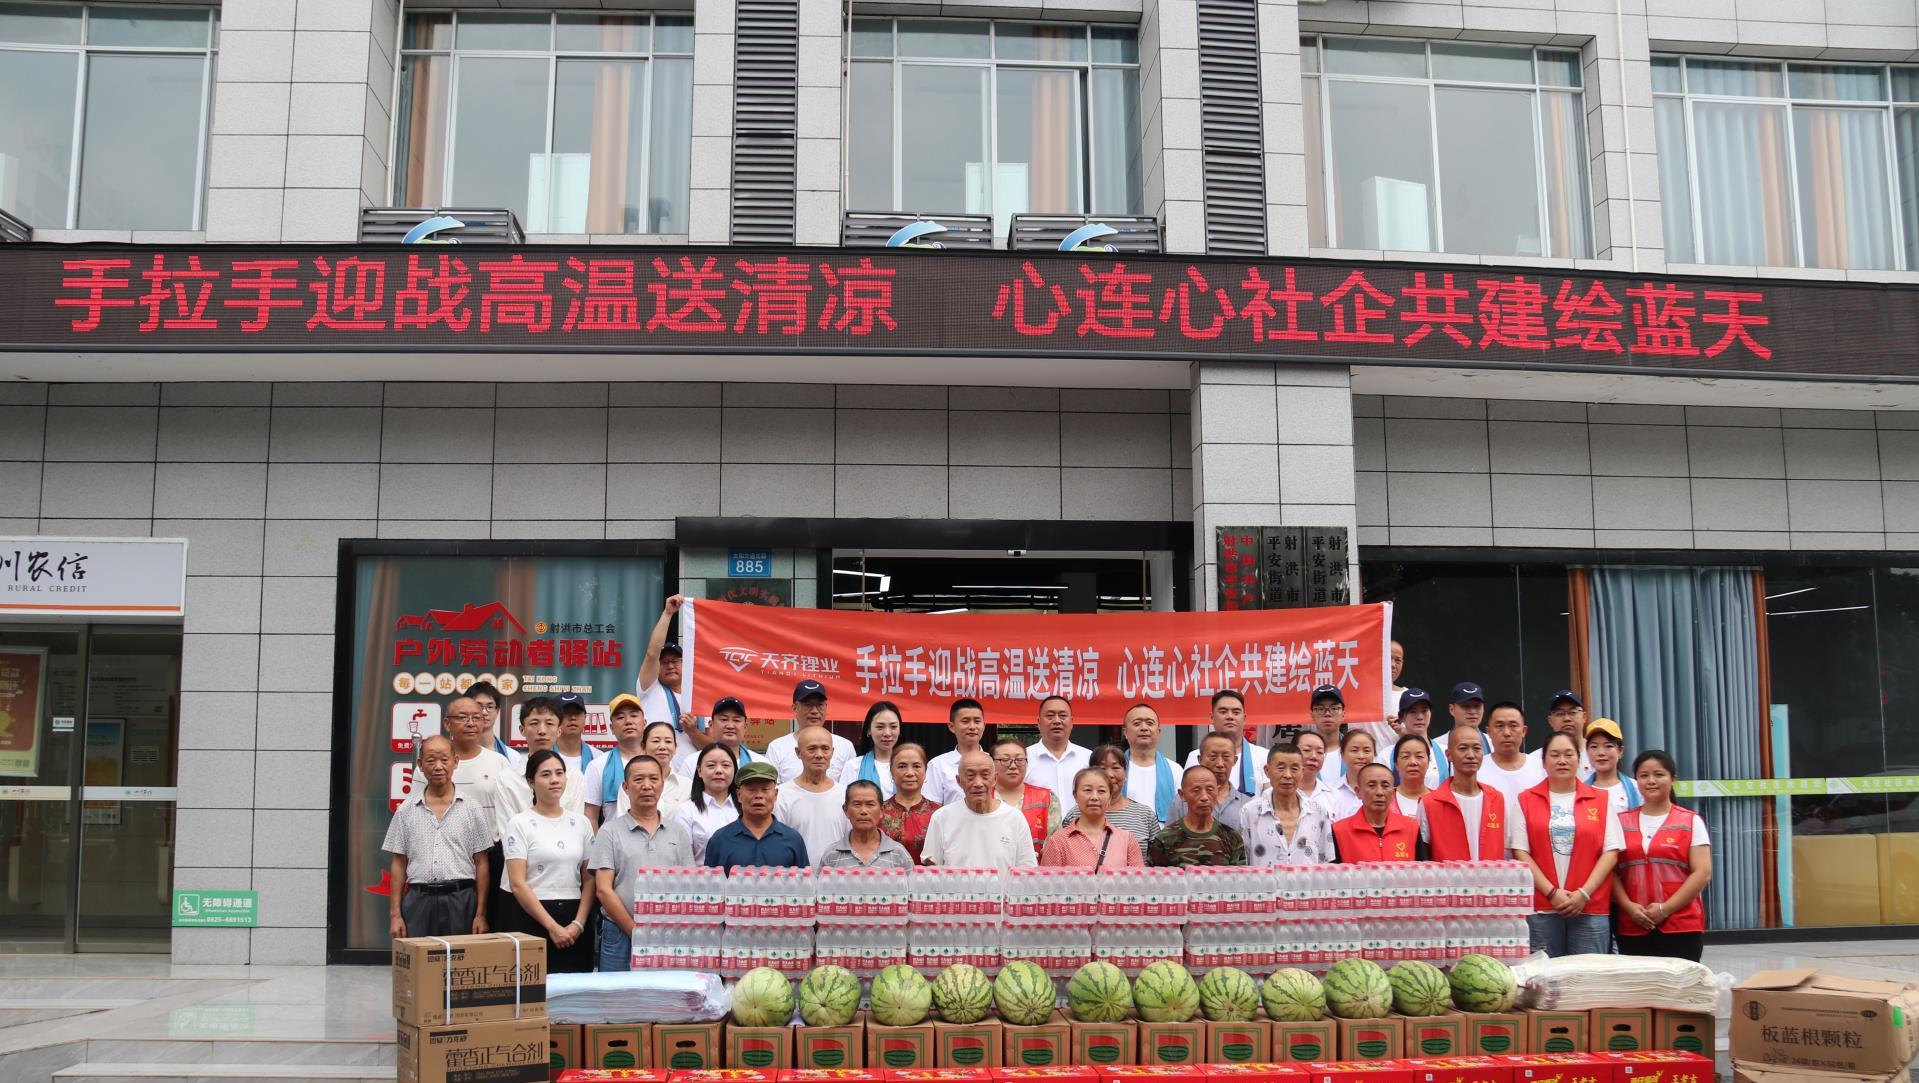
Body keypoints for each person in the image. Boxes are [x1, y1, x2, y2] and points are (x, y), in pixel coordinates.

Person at [1511, 731, 1624, 957]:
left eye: (1569, 754)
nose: (1562, 760)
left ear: (1579, 760)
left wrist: (1584, 893)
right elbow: (1521, 852)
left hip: (1590, 907)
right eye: (1555, 755)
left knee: (1588, 975)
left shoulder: (1600, 800)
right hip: (1543, 907)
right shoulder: (1525, 800)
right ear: (1543, 762)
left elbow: (1611, 852)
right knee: (1545, 975)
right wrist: (1552, 893)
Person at [588, 754, 694, 972]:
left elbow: (689, 885)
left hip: (669, 934)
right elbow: (603, 890)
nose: (647, 786)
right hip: (619, 933)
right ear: (626, 787)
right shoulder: (609, 831)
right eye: (638, 779)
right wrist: (636, 931)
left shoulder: (678, 832)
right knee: (616, 992)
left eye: (653, 779)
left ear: (662, 784)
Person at [383, 734, 492, 938]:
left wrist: (481, 914)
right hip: (419, 901)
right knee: (419, 957)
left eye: (444, 760)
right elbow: (398, 863)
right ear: (420, 765)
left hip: (461, 900)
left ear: (455, 762)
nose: (438, 767)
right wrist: (395, 915)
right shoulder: (406, 809)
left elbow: (482, 862)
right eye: (431, 760)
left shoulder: (472, 808)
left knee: (460, 957)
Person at [501, 750, 596, 972]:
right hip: (532, 916)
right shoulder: (519, 823)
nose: (554, 780)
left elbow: (590, 878)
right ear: (531, 782)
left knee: (576, 988)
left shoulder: (581, 823)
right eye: (546, 774)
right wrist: (552, 927)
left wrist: (579, 924)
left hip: (575, 917)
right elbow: (517, 883)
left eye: (559, 773)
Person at [1613, 750, 1712, 962]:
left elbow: (1702, 872)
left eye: (1659, 774)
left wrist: (1665, 909)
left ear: (1672, 779)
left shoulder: (1690, 821)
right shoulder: (1620, 822)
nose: (1651, 781)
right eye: (1644, 775)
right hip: (1633, 924)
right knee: (1639, 982)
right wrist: (1629, 907)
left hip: (1681, 924)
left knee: (1680, 982)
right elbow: (1611, 872)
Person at [492, 697, 586, 847]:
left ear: (559, 730)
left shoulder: (574, 777)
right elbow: (509, 836)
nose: (542, 731)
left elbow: (576, 830)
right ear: (522, 730)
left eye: (549, 723)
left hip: (566, 858)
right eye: (534, 723)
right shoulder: (507, 779)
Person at [921, 749, 1037, 868]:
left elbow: (1027, 869)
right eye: (970, 776)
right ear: (959, 781)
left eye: (985, 775)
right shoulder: (942, 818)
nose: (978, 783)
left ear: (995, 779)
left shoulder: (1014, 818)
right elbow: (932, 870)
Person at [1423, 723, 1509, 862]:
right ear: (1449, 755)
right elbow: (1423, 857)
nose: (1470, 755)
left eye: (1476, 748)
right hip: (1447, 876)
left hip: (1491, 876)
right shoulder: (1430, 803)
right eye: (1463, 748)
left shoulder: (1496, 799)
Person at [1240, 740, 1335, 866]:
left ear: (1302, 772)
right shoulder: (1249, 812)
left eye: (1294, 769)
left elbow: (1326, 861)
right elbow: (1243, 862)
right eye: (1281, 768)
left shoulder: (1319, 812)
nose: (1288, 775)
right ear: (1267, 771)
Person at [704, 761, 810, 868]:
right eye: (751, 789)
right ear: (739, 795)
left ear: (775, 794)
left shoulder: (793, 839)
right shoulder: (720, 840)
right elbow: (709, 878)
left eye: (765, 789)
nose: (759, 795)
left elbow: (804, 878)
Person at [636, 595, 701, 760]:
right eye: (664, 662)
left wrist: (693, 731)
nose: (670, 666)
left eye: (675, 661)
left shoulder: (699, 697)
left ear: (686, 664)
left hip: (693, 774)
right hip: (655, 771)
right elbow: (652, 654)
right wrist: (667, 614)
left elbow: (712, 746)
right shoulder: (650, 689)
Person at [1041, 767, 1144, 869]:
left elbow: (1139, 878)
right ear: (1075, 796)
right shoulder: (1058, 841)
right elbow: (1048, 879)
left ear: (1110, 797)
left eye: (1101, 791)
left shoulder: (1127, 840)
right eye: (1088, 790)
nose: (1094, 797)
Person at [1065, 743, 1162, 851]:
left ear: (1125, 773)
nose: (1109, 775)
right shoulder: (1074, 815)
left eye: (1116, 768)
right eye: (1102, 768)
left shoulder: (1145, 815)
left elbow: (1158, 858)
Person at [775, 726, 850, 864]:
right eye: (812, 749)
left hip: (836, 874)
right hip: (796, 874)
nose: (819, 755)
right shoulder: (782, 795)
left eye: (825, 748)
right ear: (798, 752)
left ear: (832, 752)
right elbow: (778, 843)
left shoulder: (845, 795)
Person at [1148, 765, 1247, 867]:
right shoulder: (1164, 839)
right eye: (1196, 790)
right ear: (1182, 795)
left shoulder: (1232, 838)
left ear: (1217, 792)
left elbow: (1239, 876)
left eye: (1210, 790)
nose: (1204, 797)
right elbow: (1156, 876)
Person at [581, 693, 650, 829]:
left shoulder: (659, 761)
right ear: (612, 728)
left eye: (634, 715)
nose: (628, 721)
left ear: (644, 723)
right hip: (613, 840)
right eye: (620, 717)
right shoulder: (598, 765)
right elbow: (591, 816)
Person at [446, 695, 511, 837]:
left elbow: (511, 812)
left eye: (476, 718)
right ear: (447, 723)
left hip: (492, 846)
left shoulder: (500, 762)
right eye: (462, 717)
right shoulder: (433, 764)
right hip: (444, 846)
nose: (470, 723)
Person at [767, 680, 856, 783]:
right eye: (808, 705)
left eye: (820, 705)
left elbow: (851, 788)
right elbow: (770, 788)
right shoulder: (777, 747)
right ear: (794, 708)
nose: (814, 711)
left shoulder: (845, 746)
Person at [1332, 762, 1422, 863]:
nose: (1379, 792)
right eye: (1371, 786)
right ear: (1358, 792)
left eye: (1385, 786)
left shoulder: (1411, 828)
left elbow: (1423, 869)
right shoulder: (1339, 831)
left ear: (1393, 792)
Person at [1182, 690, 1262, 797]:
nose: (1230, 716)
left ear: (1244, 718)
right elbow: (1188, 796)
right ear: (1212, 717)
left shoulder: (1263, 756)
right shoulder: (1195, 756)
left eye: (1236, 712)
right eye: (1223, 712)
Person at [817, 780, 914, 868]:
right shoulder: (832, 854)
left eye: (870, 804)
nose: (863, 811)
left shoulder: (898, 853)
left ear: (881, 811)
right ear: (846, 810)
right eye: (857, 804)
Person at [991, 737, 1059, 855]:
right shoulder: (983, 798)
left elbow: (1055, 843)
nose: (1013, 766)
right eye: (1005, 760)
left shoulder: (1047, 798)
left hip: (1037, 866)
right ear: (991, 763)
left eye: (1020, 760)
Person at [1025, 696, 1091, 816]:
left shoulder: (1088, 757)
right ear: (1038, 722)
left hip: (1081, 827)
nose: (1056, 721)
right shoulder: (1024, 758)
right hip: (1037, 827)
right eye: (1050, 716)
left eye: (1062, 716)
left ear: (1072, 722)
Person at [675, 742, 739, 863]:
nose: (719, 771)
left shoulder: (746, 809)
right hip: (701, 875)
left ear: (735, 770)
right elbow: (684, 860)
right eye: (711, 765)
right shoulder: (686, 811)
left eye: (725, 765)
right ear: (699, 771)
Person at [1171, 732, 1251, 827]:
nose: (1220, 764)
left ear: (1235, 760)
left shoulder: (1247, 804)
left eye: (1226, 757)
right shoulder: (1182, 801)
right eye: (1213, 756)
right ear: (1200, 759)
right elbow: (1170, 834)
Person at [878, 742, 941, 864]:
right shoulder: (878, 812)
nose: (910, 773)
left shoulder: (939, 814)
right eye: (902, 766)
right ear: (891, 772)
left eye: (916, 766)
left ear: (925, 771)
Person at [1121, 703, 1181, 823]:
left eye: (1150, 723)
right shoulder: (1114, 769)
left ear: (1158, 731)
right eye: (1137, 723)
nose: (1144, 728)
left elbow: (1182, 811)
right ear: (1125, 732)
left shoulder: (1175, 770)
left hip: (1164, 833)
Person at [673, 697, 759, 777]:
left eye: (736, 720)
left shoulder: (759, 763)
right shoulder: (692, 763)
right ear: (711, 725)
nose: (730, 726)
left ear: (745, 727)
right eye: (724, 719)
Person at [927, 698, 990, 806]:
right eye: (965, 721)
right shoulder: (937, 765)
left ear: (984, 725)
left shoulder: (995, 761)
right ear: (952, 727)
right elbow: (931, 807)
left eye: (977, 721)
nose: (972, 727)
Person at [838, 700, 904, 799]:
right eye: (880, 727)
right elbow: (844, 802)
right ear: (869, 730)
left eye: (893, 727)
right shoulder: (853, 766)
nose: (887, 733)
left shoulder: (909, 766)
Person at [1478, 702, 1545, 797]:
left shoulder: (1542, 768)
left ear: (1524, 731)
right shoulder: (1477, 769)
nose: (1507, 733)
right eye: (1500, 726)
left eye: (1513, 726)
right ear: (1489, 732)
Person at [1528, 691, 1593, 780]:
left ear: (1584, 717)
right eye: (1560, 713)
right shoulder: (1535, 760)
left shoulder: (1597, 755)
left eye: (1573, 712)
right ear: (1550, 721)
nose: (1567, 718)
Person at [1584, 719, 1642, 812]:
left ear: (1620, 751)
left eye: (1608, 746)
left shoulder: (1636, 789)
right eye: (1594, 747)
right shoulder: (1579, 791)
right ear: (1587, 751)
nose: (1601, 753)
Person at [1320, 728, 1375, 821]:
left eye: (1366, 751)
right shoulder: (1330, 792)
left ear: (1374, 754)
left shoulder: (1383, 791)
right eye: (1354, 750)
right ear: (1342, 754)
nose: (1361, 756)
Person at [1395, 689, 1446, 785]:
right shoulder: (1386, 756)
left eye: (1424, 711)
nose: (1420, 717)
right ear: (1401, 717)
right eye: (1413, 712)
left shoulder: (1445, 753)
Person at [642, 720, 694, 816]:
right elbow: (624, 822)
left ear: (675, 748)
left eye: (668, 741)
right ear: (643, 747)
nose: (662, 747)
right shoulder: (632, 784)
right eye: (656, 741)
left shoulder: (688, 786)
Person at [552, 689, 604, 779]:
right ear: (555, 719)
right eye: (566, 713)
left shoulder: (599, 757)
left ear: (585, 717)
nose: (572, 717)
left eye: (577, 713)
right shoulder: (543, 756)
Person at [1309, 685, 1347, 788]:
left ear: (1343, 714)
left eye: (1334, 708)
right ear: (1312, 715)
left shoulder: (1355, 750)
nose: (1327, 714)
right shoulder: (1301, 753)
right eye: (1320, 709)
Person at [469, 680, 517, 764]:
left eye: (490, 707)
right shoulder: (452, 755)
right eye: (478, 706)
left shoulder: (513, 757)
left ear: (497, 711)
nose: (484, 712)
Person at [1393, 734, 1432, 818]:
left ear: (1428, 762)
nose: (1413, 762)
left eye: (1419, 756)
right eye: (1405, 756)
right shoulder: (1385, 799)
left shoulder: (1440, 800)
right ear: (1396, 764)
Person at [1295, 729, 1331, 809]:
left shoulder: (1334, 796)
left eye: (1320, 752)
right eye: (1307, 750)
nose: (1314, 756)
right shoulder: (1273, 793)